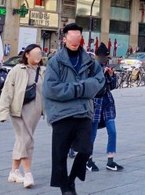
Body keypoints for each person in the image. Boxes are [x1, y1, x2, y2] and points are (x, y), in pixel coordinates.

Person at [43, 23, 104, 195]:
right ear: (64, 39)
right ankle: (66, 189)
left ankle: (71, 180)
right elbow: (51, 89)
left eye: (78, 38)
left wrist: (75, 88)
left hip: (84, 112)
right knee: (60, 155)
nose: (75, 42)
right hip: (61, 114)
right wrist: (80, 89)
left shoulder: (90, 62)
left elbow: (99, 83)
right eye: (72, 38)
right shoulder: (55, 62)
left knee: (85, 150)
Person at [0, 44, 45, 189]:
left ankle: (14, 171)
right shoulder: (17, 70)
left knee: (22, 140)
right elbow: (7, 90)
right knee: (27, 139)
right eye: (35, 53)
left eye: (40, 53)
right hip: (18, 109)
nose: (38, 56)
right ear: (27, 55)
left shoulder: (43, 70)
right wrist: (3, 111)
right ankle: (28, 173)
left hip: (35, 110)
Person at [86, 43, 123, 173]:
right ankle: (88, 160)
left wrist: (111, 75)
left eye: (106, 58)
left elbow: (112, 86)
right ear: (98, 56)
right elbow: (91, 86)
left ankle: (110, 161)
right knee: (93, 133)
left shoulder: (105, 67)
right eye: (103, 57)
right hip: (95, 103)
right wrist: (101, 74)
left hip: (107, 102)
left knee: (112, 131)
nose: (105, 60)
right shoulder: (90, 68)